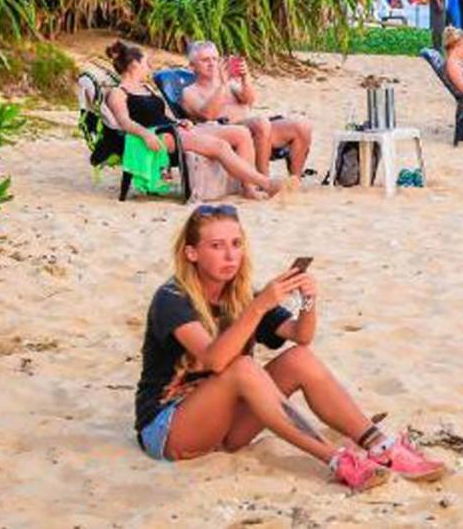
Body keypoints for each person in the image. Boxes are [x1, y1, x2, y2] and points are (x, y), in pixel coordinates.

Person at [134, 204, 445, 489]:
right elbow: (214, 361)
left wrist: (308, 301)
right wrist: (257, 308)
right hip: (169, 430)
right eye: (216, 246)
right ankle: (336, 459)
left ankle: (380, 446)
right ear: (192, 253)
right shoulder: (172, 299)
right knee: (242, 367)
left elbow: (301, 335)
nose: (230, 256)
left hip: (226, 427)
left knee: (299, 359)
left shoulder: (240, 294)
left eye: (236, 244)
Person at [103, 41, 281, 199]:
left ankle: (249, 189)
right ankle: (267, 184)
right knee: (220, 147)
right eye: (145, 63)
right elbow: (124, 122)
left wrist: (179, 121)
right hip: (158, 136)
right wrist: (145, 135)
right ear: (134, 65)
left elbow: (165, 114)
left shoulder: (146, 88)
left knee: (240, 133)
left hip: (173, 129)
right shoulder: (118, 92)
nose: (148, 67)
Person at [181, 41, 313, 180]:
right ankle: (263, 179)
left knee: (302, 126)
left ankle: (294, 180)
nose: (212, 64)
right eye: (205, 60)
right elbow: (208, 114)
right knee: (260, 123)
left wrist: (245, 78)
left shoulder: (231, 85)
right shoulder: (190, 92)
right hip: (227, 134)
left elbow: (249, 100)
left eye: (215, 59)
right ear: (192, 66)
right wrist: (223, 85)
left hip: (258, 133)